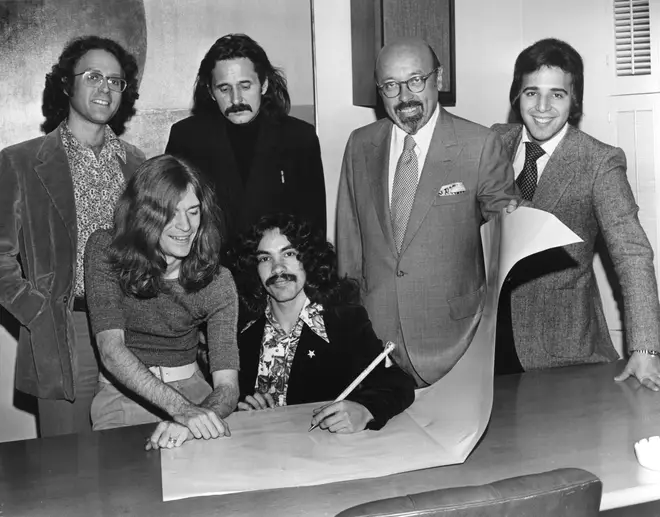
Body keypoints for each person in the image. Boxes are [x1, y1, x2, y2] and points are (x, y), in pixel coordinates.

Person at [336, 38, 519, 387]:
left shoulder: (479, 144)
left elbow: (503, 230)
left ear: (439, 78)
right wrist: (350, 318)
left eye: (416, 80)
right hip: (376, 339)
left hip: (454, 338)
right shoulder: (360, 144)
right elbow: (350, 238)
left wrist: (511, 215)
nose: (404, 95)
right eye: (390, 85)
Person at [491, 38, 660, 389]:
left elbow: (632, 254)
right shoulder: (493, 142)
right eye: (530, 92)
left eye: (557, 94)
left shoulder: (599, 162)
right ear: (516, 96)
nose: (542, 106)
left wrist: (645, 347)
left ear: (575, 99)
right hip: (489, 344)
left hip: (564, 349)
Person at [0, 35, 145, 437]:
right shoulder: (21, 162)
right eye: (93, 76)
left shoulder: (138, 163)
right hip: (67, 332)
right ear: (67, 83)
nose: (106, 88)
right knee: (69, 469)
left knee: (134, 464)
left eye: (115, 81)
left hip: (134, 330)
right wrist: (36, 310)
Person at [84, 154, 240, 449]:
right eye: (171, 213)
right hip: (122, 395)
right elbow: (110, 350)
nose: (185, 226)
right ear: (144, 214)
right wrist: (181, 410)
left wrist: (201, 414)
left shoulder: (219, 281)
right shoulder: (105, 249)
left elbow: (227, 386)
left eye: (193, 212)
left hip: (194, 394)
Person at [229, 213, 415, 433]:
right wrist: (242, 412)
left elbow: (398, 383)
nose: (277, 268)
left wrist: (364, 410)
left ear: (308, 259)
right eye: (265, 258)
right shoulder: (241, 332)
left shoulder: (345, 323)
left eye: (288, 254)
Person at [165, 33, 326, 243]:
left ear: (264, 84)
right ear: (211, 92)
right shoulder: (186, 138)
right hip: (209, 270)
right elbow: (171, 218)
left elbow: (313, 230)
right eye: (224, 89)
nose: (236, 99)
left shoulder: (300, 139)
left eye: (245, 86)